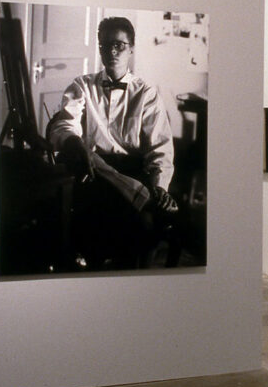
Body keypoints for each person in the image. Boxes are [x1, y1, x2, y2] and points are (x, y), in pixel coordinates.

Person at [47, 16, 177, 267]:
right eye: (105, 45)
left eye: (118, 45)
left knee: (139, 227)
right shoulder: (81, 86)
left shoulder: (146, 93)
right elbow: (64, 124)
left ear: (131, 49)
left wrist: (159, 187)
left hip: (133, 170)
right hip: (91, 172)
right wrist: (74, 142)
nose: (112, 51)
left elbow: (160, 148)